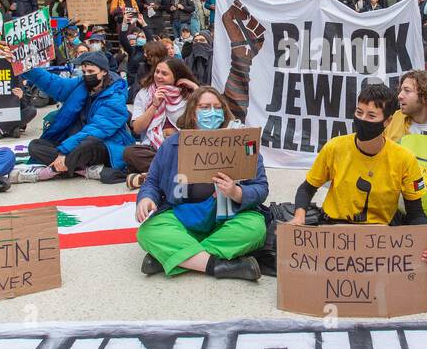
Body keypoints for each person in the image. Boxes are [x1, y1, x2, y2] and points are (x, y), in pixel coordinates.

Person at [292, 82, 427, 266]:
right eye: (359, 113)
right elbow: (307, 188)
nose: (362, 120)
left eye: (371, 116)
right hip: (335, 230)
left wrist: (426, 242)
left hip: (379, 236)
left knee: (420, 266)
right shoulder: (334, 147)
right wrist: (299, 216)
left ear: (387, 121)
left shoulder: (405, 159)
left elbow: (416, 213)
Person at [135, 87, 269, 281]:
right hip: (184, 215)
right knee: (148, 232)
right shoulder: (172, 144)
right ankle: (219, 265)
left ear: (224, 111)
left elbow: (261, 187)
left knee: (255, 228)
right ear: (193, 113)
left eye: (217, 107)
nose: (212, 112)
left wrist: (236, 192)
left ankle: (176, 257)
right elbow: (153, 182)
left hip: (228, 215)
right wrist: (146, 198)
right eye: (205, 107)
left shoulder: (244, 142)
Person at [18, 51, 133, 183]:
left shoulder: (115, 97)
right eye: (84, 72)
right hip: (76, 139)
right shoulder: (81, 84)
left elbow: (95, 130)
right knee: (35, 146)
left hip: (104, 144)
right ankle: (82, 170)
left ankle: (63, 166)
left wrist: (64, 151)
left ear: (104, 72)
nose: (86, 75)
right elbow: (53, 83)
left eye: (91, 71)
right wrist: (22, 65)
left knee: (86, 146)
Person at [123, 57, 198, 184]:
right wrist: (154, 105)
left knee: (193, 155)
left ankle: (152, 176)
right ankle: (176, 175)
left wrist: (196, 88)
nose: (158, 76)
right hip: (154, 147)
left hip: (183, 146)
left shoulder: (188, 95)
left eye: (164, 73)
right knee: (130, 153)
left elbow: (203, 120)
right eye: (157, 72)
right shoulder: (144, 93)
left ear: (177, 76)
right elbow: (137, 128)